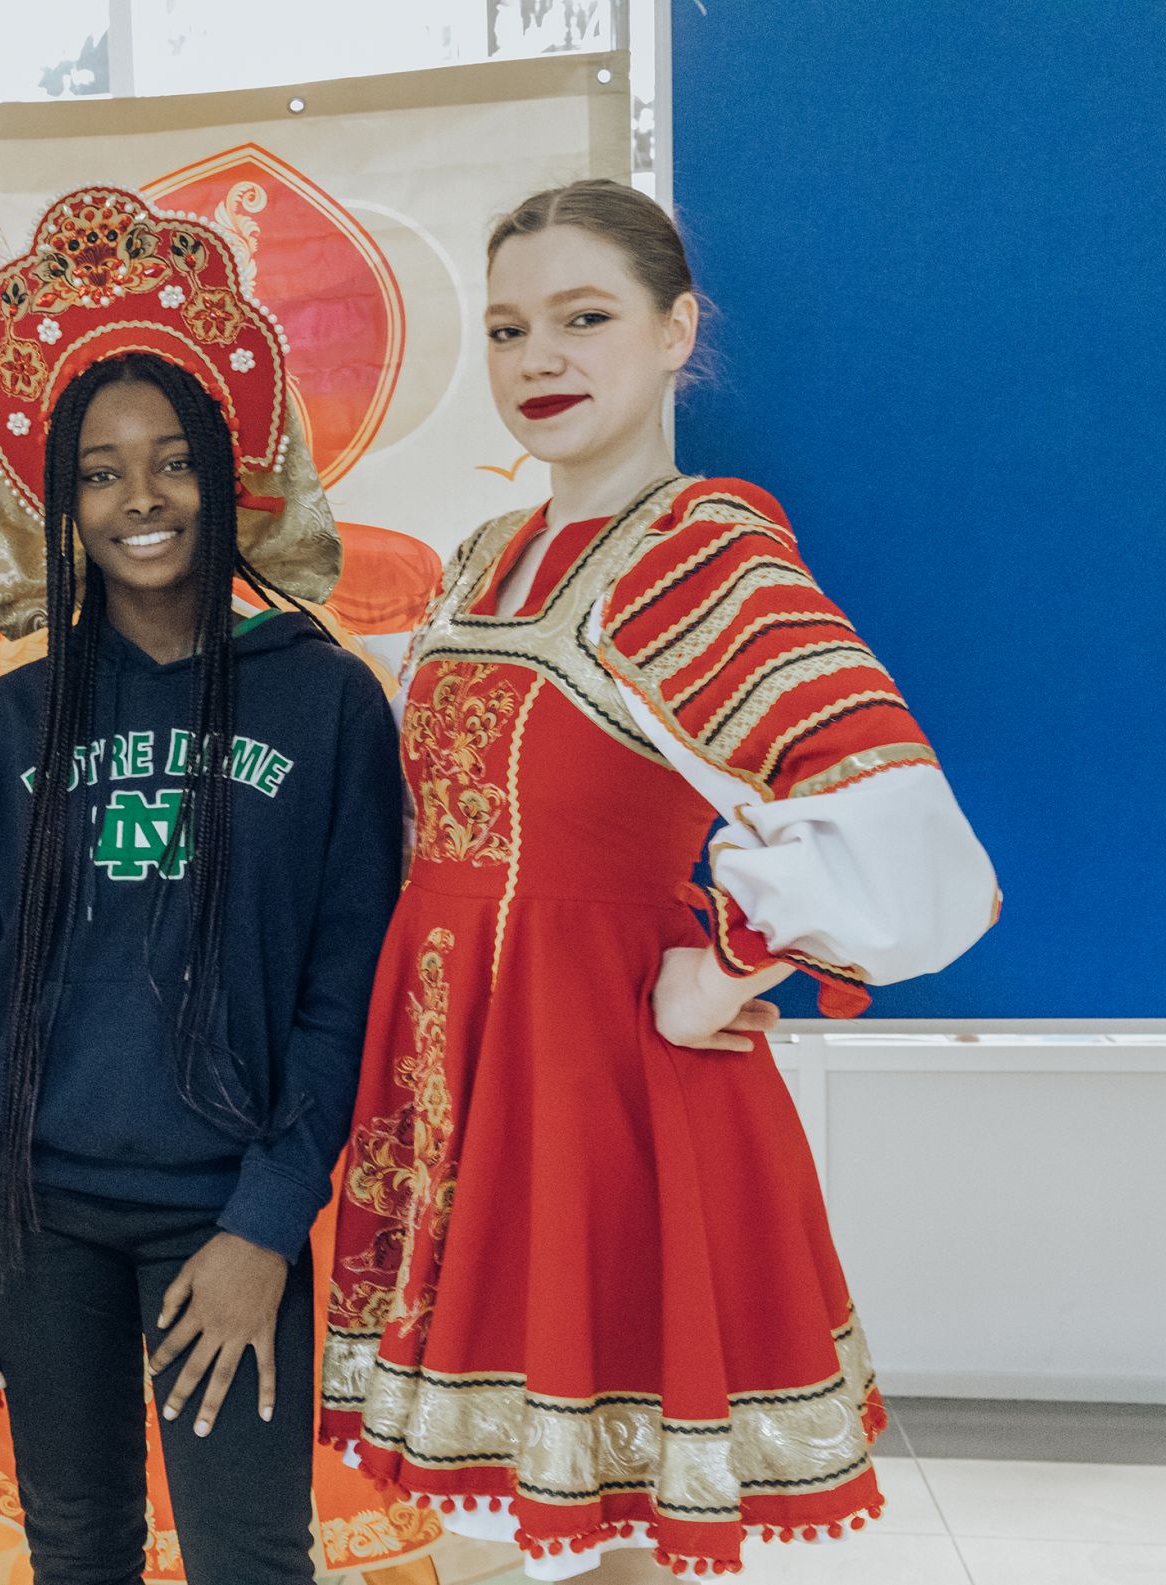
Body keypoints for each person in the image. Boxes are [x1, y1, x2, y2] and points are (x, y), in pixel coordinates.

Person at [319, 178, 1000, 1579]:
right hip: (455, 1067)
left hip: (596, 1072)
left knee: (615, 1499)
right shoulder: (488, 557)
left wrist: (732, 961)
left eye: (585, 318)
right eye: (509, 329)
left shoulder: (698, 553)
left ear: (676, 329)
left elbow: (913, 848)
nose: (539, 359)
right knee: (533, 1508)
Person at [0, 186, 405, 1584]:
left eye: (172, 462)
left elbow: (343, 1000)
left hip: (221, 1207)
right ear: (61, 501)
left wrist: (264, 1226)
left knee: (251, 1554)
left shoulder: (328, 703)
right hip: (24, 1205)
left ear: (227, 475)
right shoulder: (9, 720)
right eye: (102, 472)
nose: (141, 500)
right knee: (77, 1547)